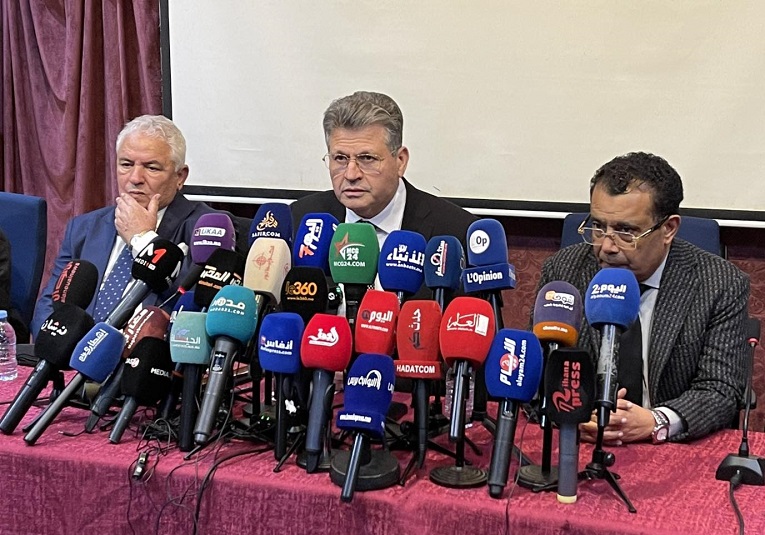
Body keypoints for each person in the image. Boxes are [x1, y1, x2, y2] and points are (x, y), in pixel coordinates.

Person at [537, 152, 748, 443]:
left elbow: (720, 389)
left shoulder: (719, 284)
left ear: (668, 229)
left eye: (626, 231)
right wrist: (574, 413)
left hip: (669, 447)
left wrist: (656, 421)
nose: (607, 246)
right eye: (598, 226)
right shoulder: (564, 272)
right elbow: (541, 370)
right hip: (580, 440)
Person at [32, 115, 248, 336]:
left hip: (148, 354)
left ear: (180, 177)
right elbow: (49, 306)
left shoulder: (209, 229)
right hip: (79, 353)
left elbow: (199, 307)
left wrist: (143, 240)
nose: (135, 178)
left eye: (152, 168)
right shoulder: (84, 228)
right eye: (126, 164)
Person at [290, 91, 477, 260]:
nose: (351, 174)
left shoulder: (456, 233)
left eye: (367, 158)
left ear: (400, 161)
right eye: (340, 158)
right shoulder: (298, 222)